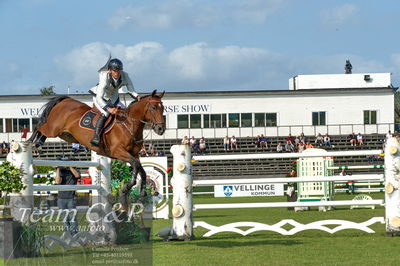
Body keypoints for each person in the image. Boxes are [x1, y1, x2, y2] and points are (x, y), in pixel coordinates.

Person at [89, 57, 140, 147]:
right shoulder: (104, 78)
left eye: (119, 70)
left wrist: (138, 97)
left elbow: (131, 90)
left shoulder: (125, 75)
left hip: (113, 98)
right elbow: (99, 97)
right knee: (105, 113)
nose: (117, 73)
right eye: (115, 71)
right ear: (110, 71)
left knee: (125, 112)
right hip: (100, 97)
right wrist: (109, 109)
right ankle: (96, 137)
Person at [55, 158, 81, 236]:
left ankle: (75, 235)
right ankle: (68, 235)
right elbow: (57, 181)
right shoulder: (61, 172)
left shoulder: (75, 171)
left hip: (71, 198)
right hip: (61, 198)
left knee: (72, 218)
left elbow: (77, 176)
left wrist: (70, 167)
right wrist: (58, 169)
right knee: (64, 219)